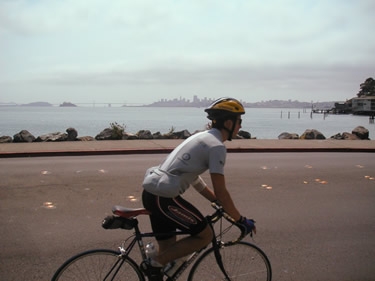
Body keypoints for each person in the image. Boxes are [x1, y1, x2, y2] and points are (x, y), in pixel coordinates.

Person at [141, 97, 256, 281]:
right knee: (205, 235)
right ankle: (153, 263)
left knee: (169, 254)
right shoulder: (217, 147)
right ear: (228, 122)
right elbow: (222, 192)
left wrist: (214, 201)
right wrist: (240, 220)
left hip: (153, 193)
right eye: (239, 121)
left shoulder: (201, 137)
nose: (240, 126)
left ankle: (156, 265)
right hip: (164, 198)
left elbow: (194, 178)